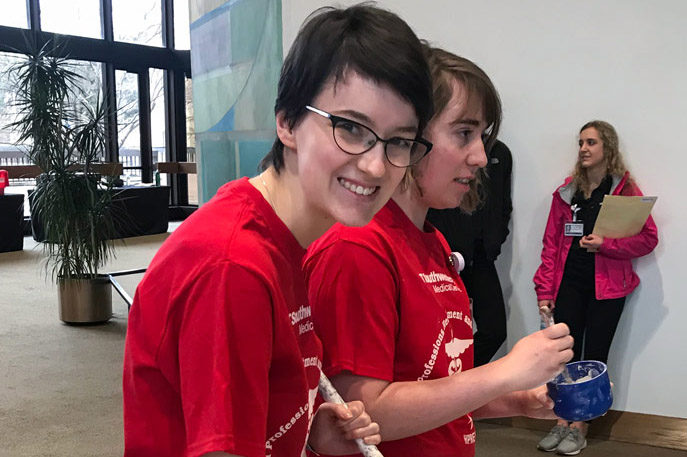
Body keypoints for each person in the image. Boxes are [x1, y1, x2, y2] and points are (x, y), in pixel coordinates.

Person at [122, 4, 435, 457]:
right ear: (287, 121)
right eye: (350, 127)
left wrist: (306, 430)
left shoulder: (289, 240)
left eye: (398, 141)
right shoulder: (234, 266)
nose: (375, 164)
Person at [303, 45, 574, 457]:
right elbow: (359, 417)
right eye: (464, 134)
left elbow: (433, 385)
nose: (481, 157)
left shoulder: (432, 240)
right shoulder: (357, 248)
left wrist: (515, 401)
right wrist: (504, 373)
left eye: (481, 137)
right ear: (407, 135)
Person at [533, 120, 658, 455]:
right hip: (569, 286)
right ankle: (563, 421)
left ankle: (581, 428)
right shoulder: (567, 192)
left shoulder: (624, 191)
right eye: (580, 143)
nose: (584, 149)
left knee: (594, 358)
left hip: (608, 290)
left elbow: (648, 239)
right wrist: (544, 291)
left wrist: (606, 245)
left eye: (591, 143)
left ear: (607, 148)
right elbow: (550, 245)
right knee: (564, 358)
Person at [427, 139, 513, 366]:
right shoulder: (445, 149)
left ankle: (462, 378)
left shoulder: (499, 153)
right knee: (438, 333)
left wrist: (497, 238)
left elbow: (504, 204)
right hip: (445, 256)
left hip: (482, 255)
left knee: (494, 331)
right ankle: (448, 384)